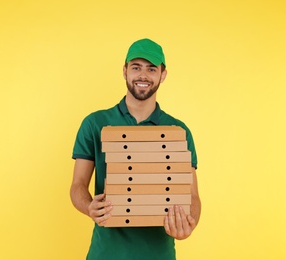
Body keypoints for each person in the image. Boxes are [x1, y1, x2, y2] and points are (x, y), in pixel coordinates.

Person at [70, 38, 201, 260]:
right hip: (106, 254)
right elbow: (77, 185)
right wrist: (89, 206)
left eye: (151, 69)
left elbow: (192, 196)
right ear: (125, 71)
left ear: (163, 75)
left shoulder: (178, 131)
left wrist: (190, 223)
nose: (143, 75)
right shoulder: (95, 123)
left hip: (159, 254)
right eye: (136, 67)